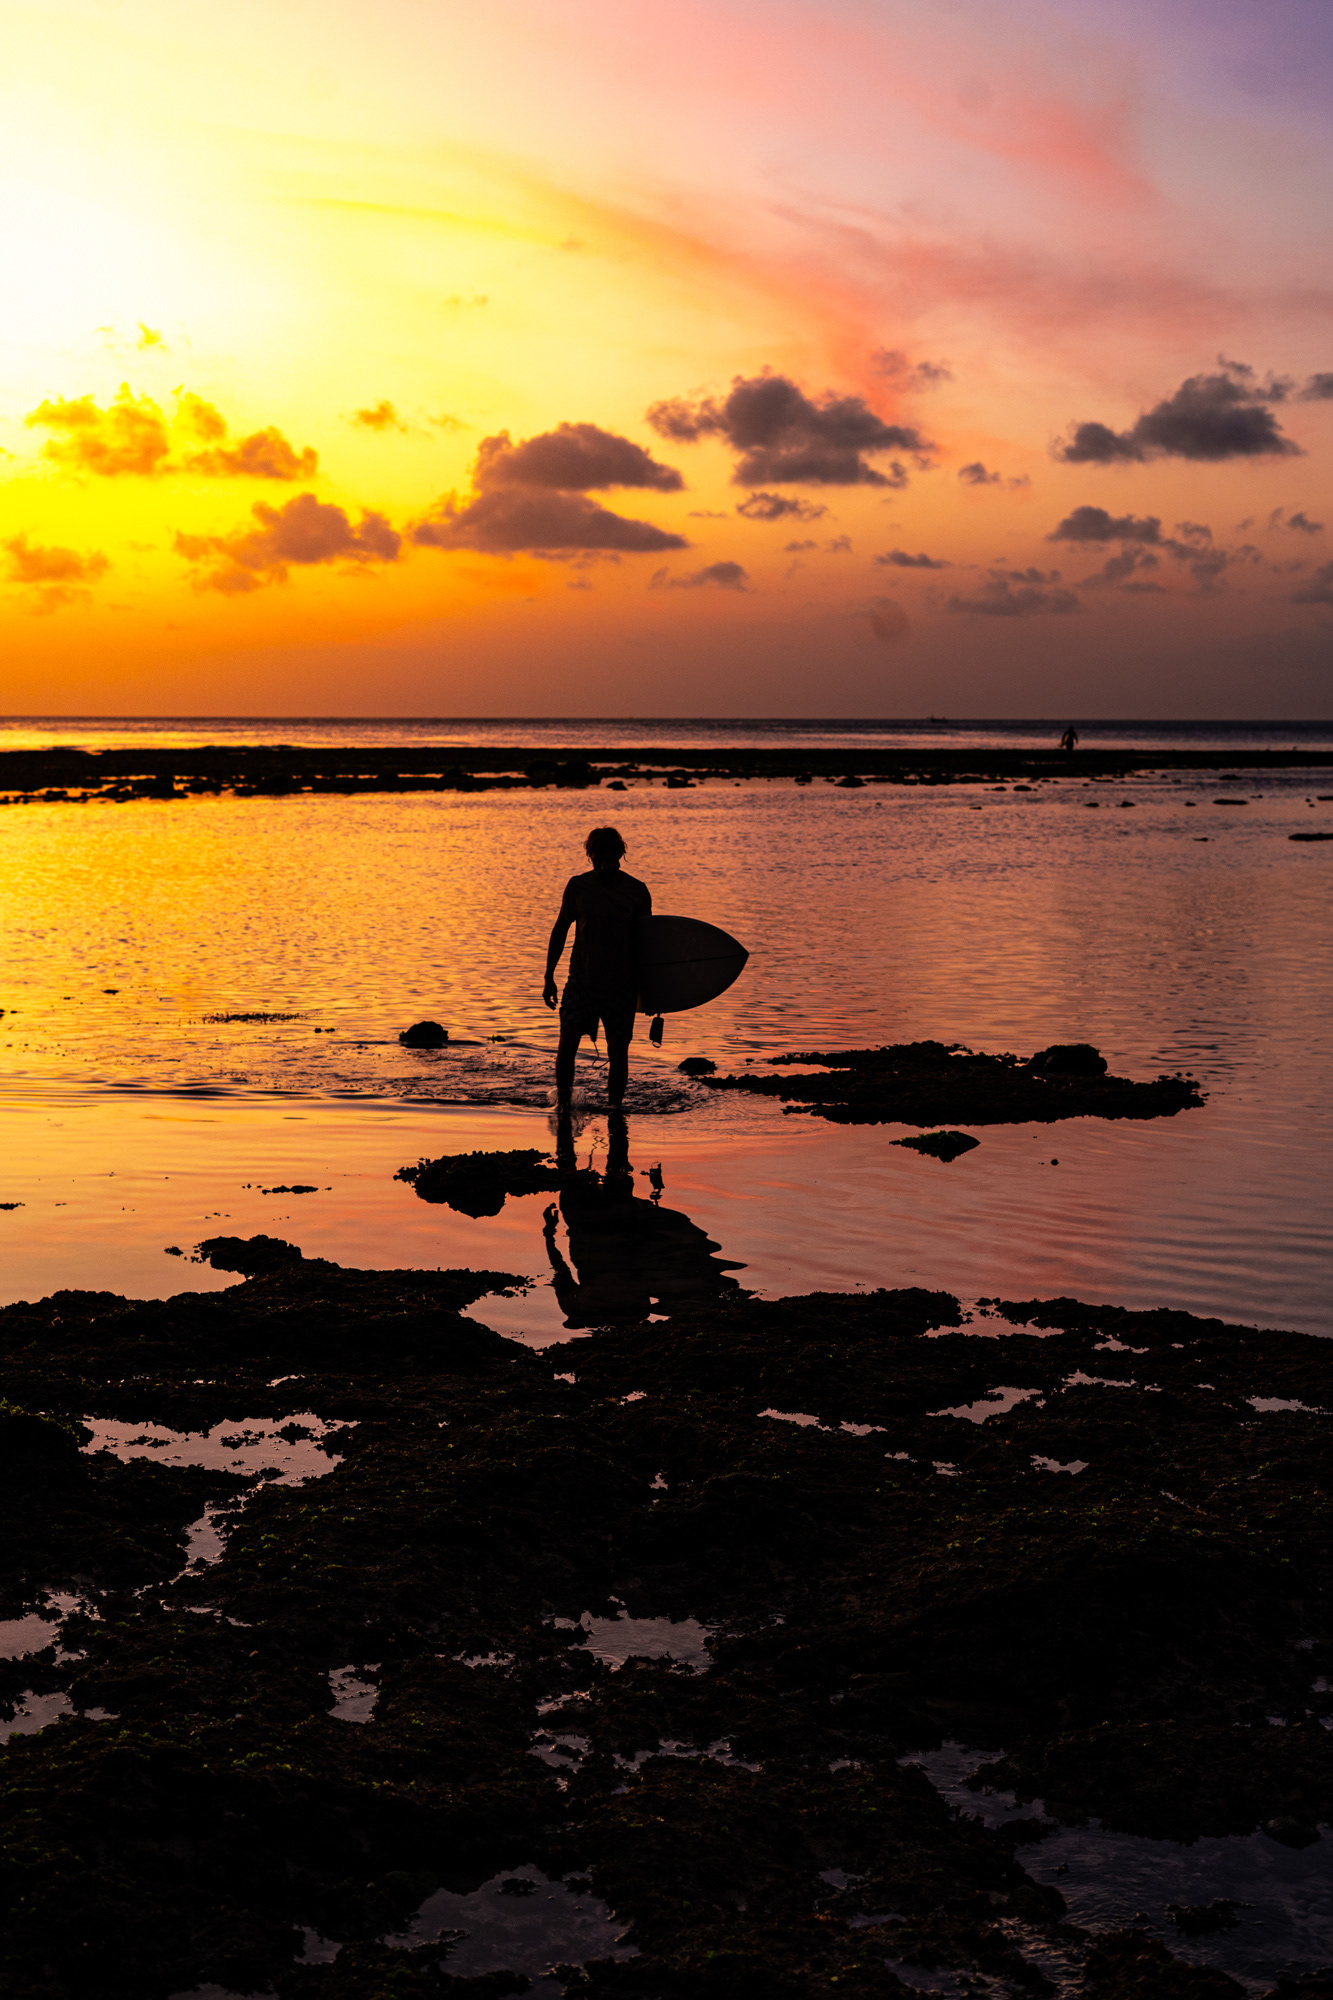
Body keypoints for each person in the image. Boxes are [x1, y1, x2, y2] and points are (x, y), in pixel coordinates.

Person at [543, 826, 651, 1107]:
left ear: (620, 853)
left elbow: (648, 943)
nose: (603, 860)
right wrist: (548, 976)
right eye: (597, 854)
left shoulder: (637, 891)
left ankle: (615, 1109)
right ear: (589, 855)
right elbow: (560, 929)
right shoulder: (578, 886)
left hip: (622, 984)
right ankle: (563, 1104)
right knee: (568, 1041)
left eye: (609, 853)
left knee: (618, 1049)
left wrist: (653, 992)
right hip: (581, 980)